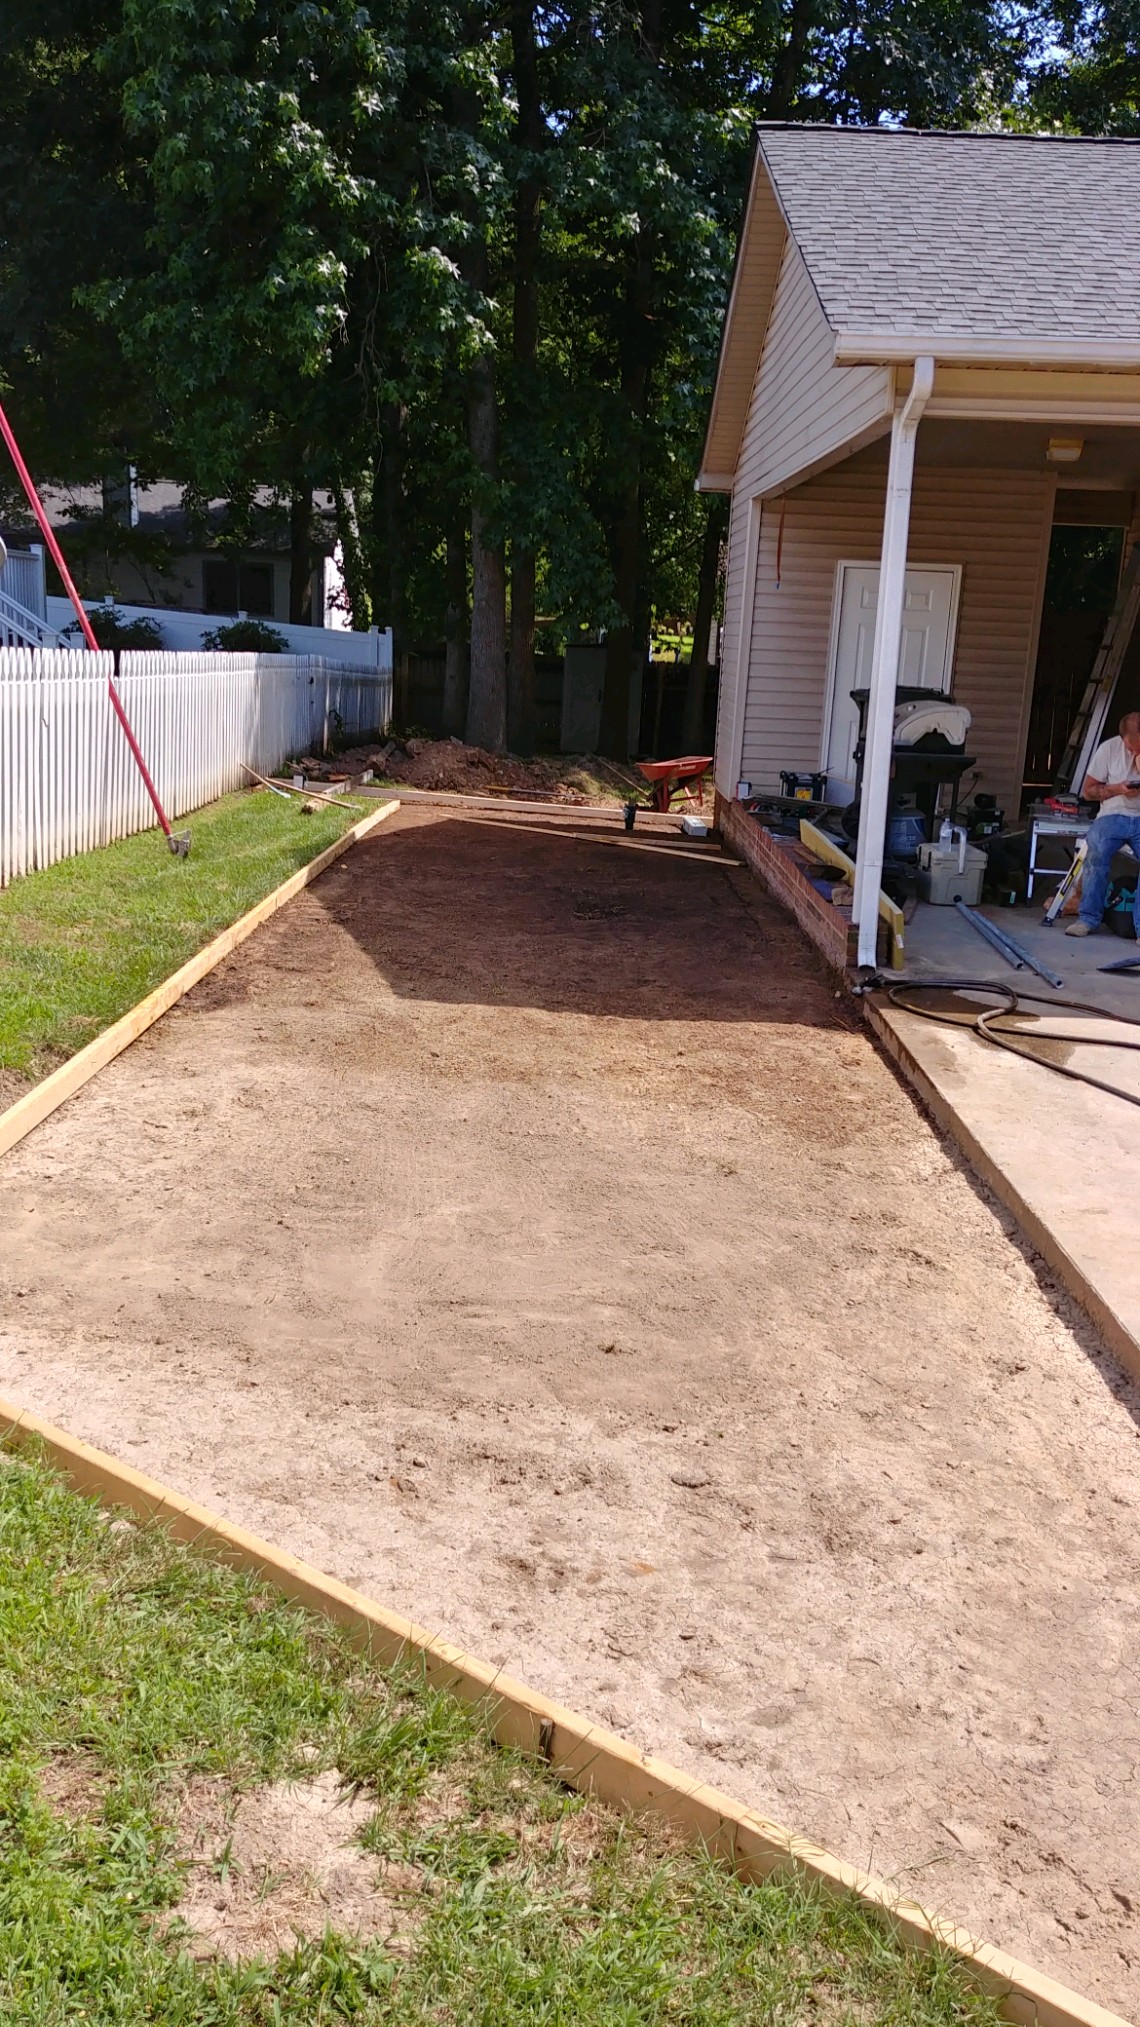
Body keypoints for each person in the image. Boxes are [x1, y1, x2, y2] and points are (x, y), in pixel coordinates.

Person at [1067, 709, 1140, 936]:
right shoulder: (1108, 749)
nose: (1136, 752)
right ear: (1124, 739)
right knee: (1096, 855)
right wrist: (1118, 789)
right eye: (1133, 747)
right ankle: (1088, 918)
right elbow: (1088, 792)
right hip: (1112, 814)